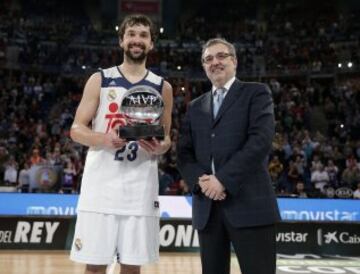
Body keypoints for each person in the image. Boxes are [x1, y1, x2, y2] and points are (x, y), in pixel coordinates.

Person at [69, 14, 173, 274]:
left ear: (151, 44)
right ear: (121, 40)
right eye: (132, 34)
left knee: (131, 267)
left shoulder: (163, 87)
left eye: (143, 35)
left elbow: (167, 136)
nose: (137, 40)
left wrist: (161, 147)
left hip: (140, 188)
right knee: (94, 266)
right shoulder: (100, 79)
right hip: (101, 185)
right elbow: (76, 129)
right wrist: (103, 139)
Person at [177, 38, 280, 274]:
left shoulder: (256, 93)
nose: (215, 62)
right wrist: (202, 182)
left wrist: (222, 180)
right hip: (208, 210)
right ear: (203, 67)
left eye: (221, 56)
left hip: (250, 204)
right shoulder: (194, 106)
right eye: (208, 59)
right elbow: (183, 154)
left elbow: (260, 141)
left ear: (234, 61)